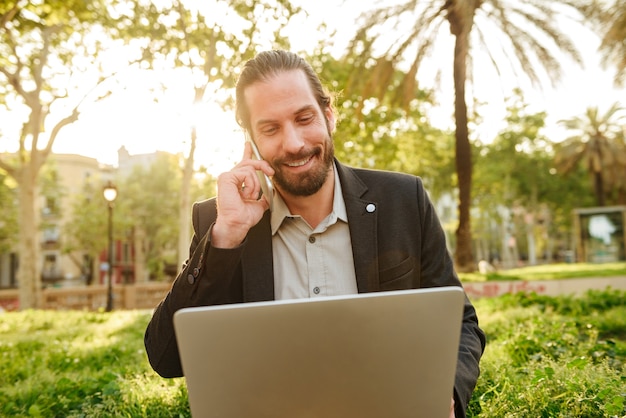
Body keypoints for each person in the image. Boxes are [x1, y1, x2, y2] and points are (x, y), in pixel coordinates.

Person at [144, 49, 485, 418]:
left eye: (304, 118)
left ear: (328, 115)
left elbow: (461, 325)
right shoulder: (220, 221)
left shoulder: (403, 200)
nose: (294, 143)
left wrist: (445, 395)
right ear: (251, 139)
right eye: (270, 128)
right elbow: (166, 358)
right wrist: (226, 236)